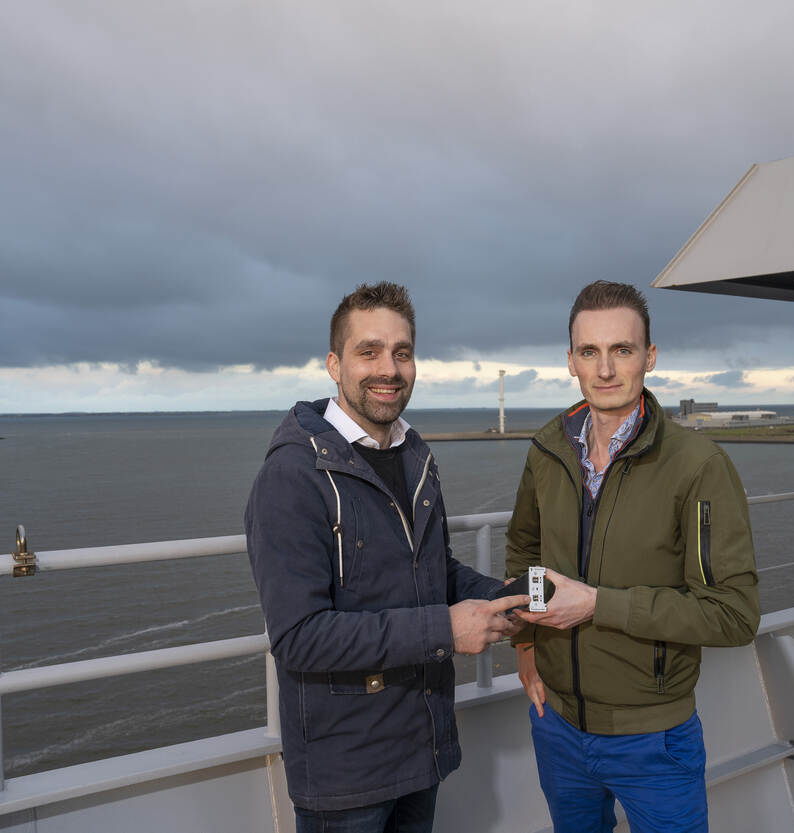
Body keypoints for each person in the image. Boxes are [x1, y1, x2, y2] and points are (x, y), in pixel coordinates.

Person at [245, 282, 526, 833]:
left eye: (402, 352)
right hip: (345, 776)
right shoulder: (292, 476)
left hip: (420, 752)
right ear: (335, 364)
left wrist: (505, 597)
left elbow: (435, 572)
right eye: (368, 351)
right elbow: (299, 636)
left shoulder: (413, 454)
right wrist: (446, 628)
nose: (388, 369)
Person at [505, 280, 760, 833]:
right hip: (556, 724)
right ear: (570, 361)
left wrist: (598, 604)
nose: (605, 370)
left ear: (650, 356)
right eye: (589, 351)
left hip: (653, 738)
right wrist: (525, 644)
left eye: (622, 350)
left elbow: (734, 614)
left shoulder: (699, 465)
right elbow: (524, 550)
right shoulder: (547, 450)